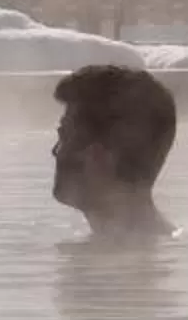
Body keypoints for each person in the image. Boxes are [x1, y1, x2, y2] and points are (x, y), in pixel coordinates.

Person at [50, 62, 175, 244]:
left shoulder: (124, 260)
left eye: (64, 137)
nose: (55, 152)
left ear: (98, 157)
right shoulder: (150, 243)